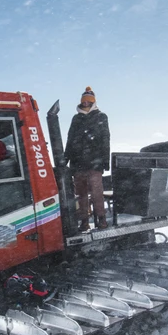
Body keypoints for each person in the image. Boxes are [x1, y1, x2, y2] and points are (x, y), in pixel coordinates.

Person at [64, 86, 110, 231]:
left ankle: (101, 219)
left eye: (88, 101)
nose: (85, 103)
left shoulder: (101, 116)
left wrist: (105, 160)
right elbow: (70, 139)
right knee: (81, 194)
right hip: (77, 163)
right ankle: (84, 221)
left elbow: (105, 139)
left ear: (93, 102)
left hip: (95, 163)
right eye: (84, 101)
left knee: (97, 193)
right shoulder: (76, 118)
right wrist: (65, 158)